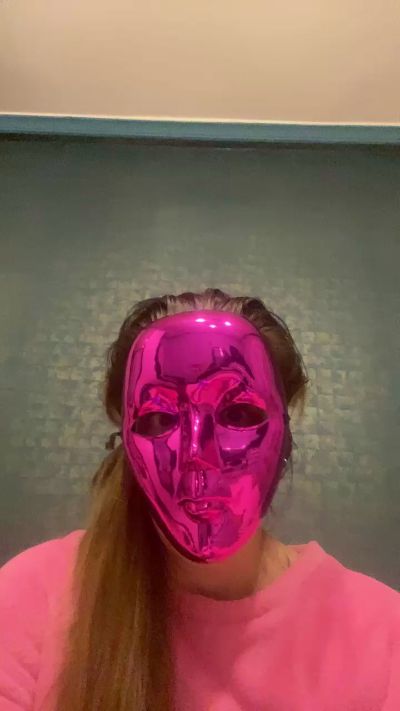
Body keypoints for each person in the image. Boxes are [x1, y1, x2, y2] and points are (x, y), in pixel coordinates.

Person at [0, 287, 399, 711]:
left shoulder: (382, 635)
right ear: (125, 440)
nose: (198, 454)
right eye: (158, 418)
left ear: (286, 428)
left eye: (238, 414)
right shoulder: (33, 596)